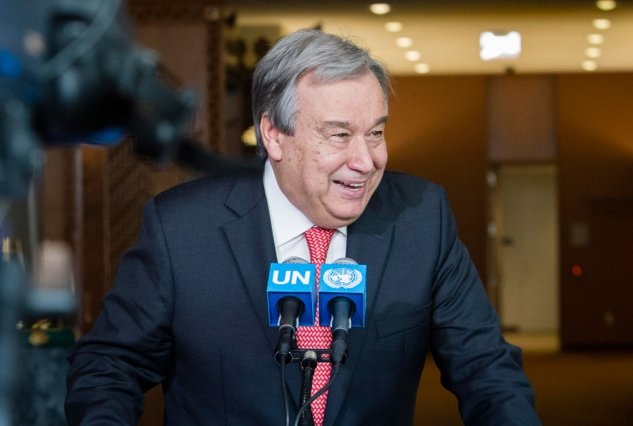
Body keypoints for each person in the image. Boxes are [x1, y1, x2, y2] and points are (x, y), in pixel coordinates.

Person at [65, 29, 541, 425]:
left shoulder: (421, 218)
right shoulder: (182, 229)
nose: (366, 160)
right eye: (339, 135)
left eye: (376, 132)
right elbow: (109, 366)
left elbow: (486, 369)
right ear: (274, 134)